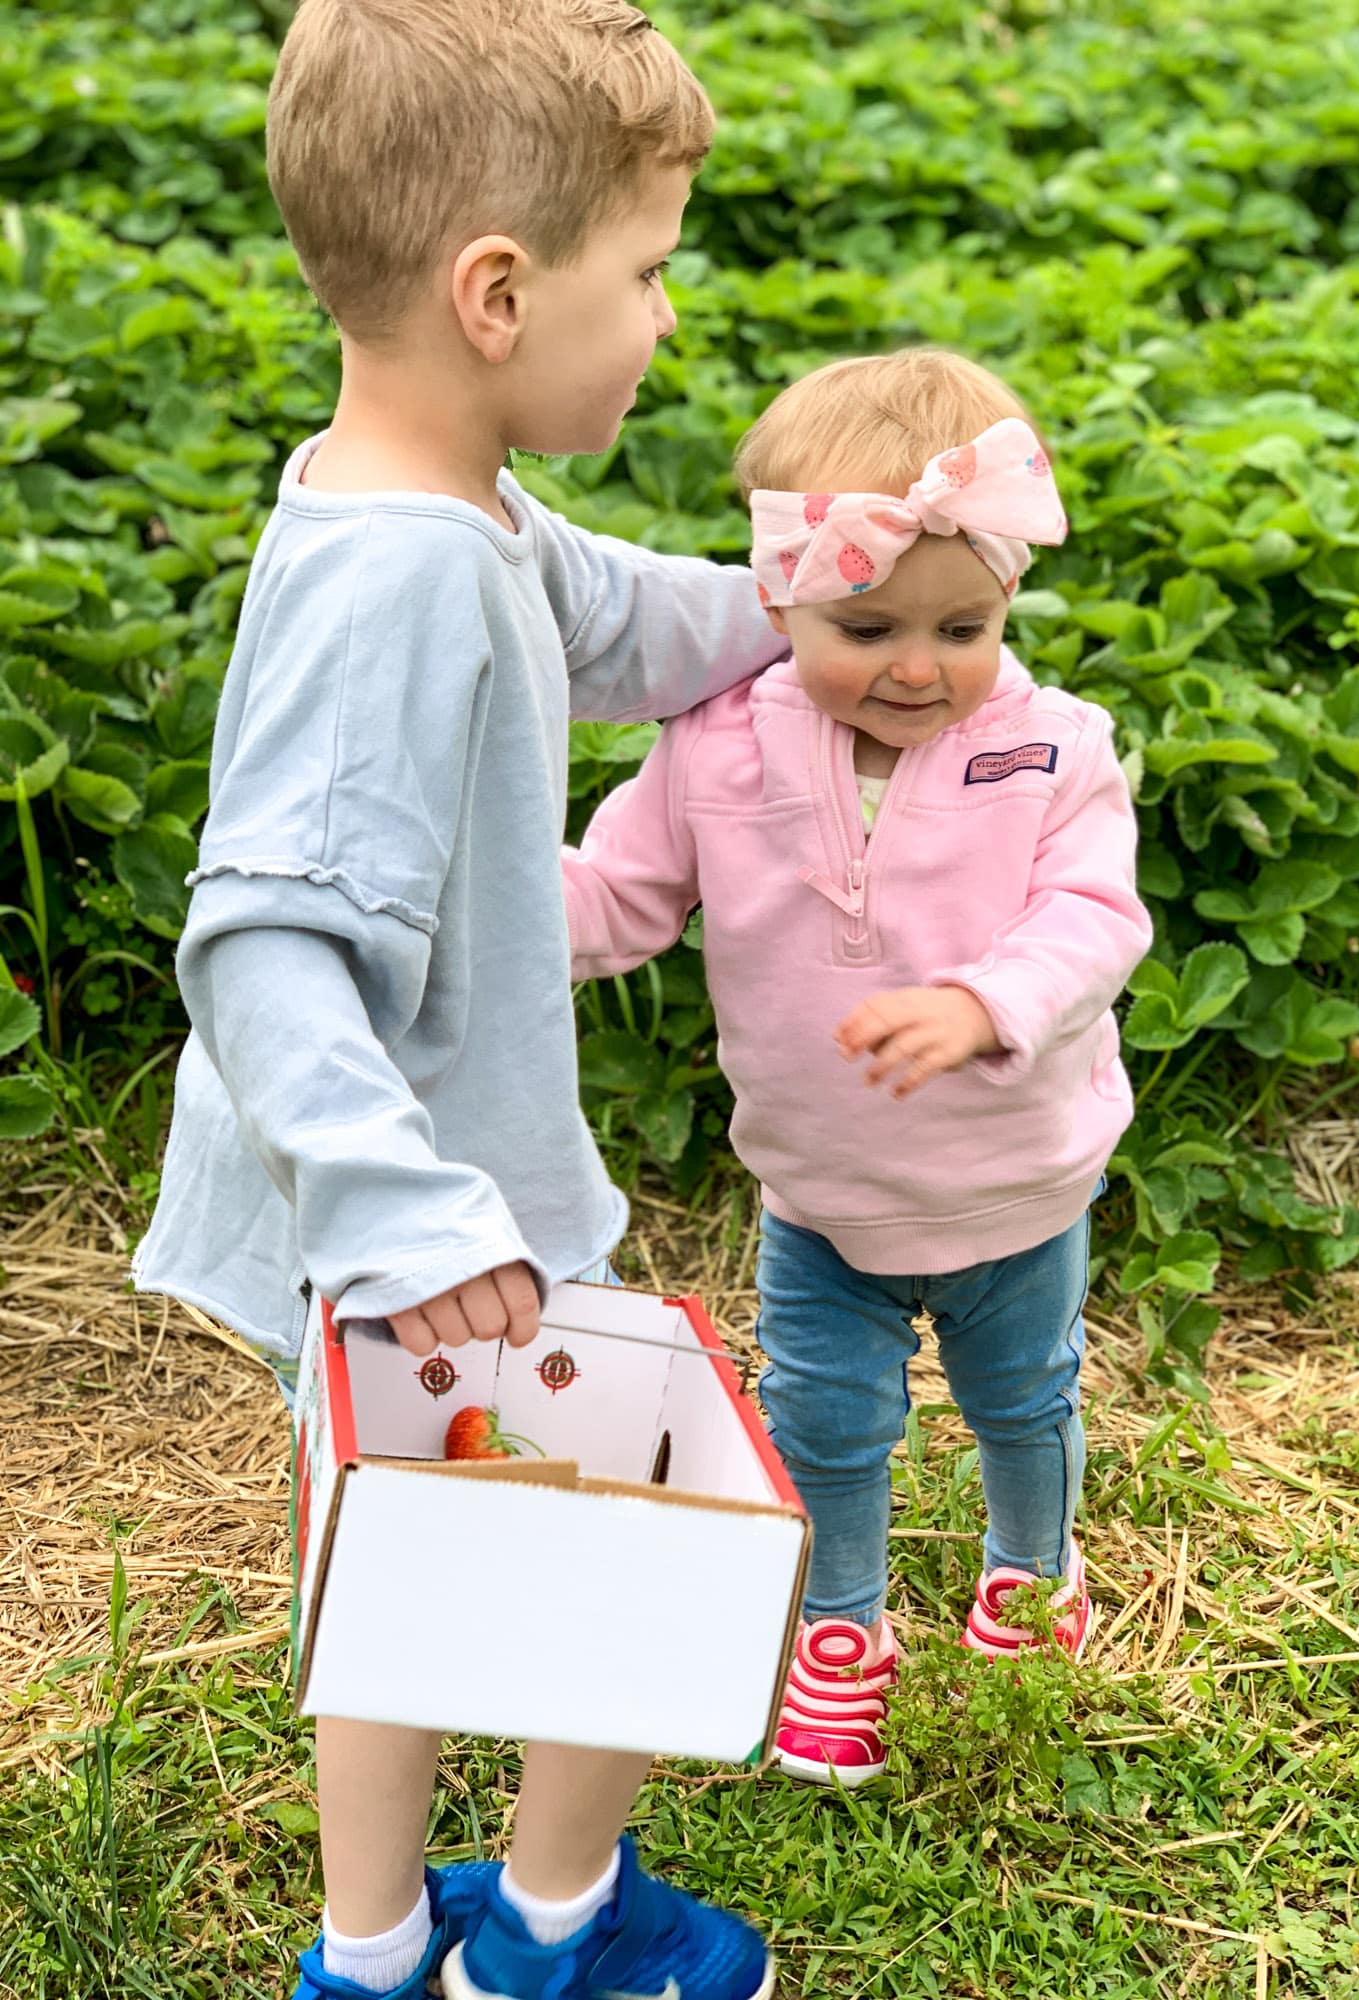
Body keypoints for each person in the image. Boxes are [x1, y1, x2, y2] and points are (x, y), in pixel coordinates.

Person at [130, 3, 783, 1995]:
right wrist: (406, 1220)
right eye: (646, 273)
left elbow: (617, 616)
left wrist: (806, 600)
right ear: (497, 294)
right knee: (620, 1552)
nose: (666, 318)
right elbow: (261, 937)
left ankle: (373, 1945)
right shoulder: (399, 579)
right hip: (433, 1211)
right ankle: (558, 1939)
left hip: (404, 1206)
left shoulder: (427, 496)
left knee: (396, 1572)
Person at [562, 347, 1154, 1790]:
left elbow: (1094, 919)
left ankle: (1032, 1568)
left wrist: (985, 1001)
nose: (918, 665)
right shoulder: (716, 748)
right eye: (869, 624)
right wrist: (488, 910)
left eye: (964, 626)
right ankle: (841, 1617)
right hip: (820, 1190)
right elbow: (623, 896)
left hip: (1014, 1181)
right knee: (826, 1420)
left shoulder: (1052, 751)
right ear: (777, 600)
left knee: (1024, 1397)